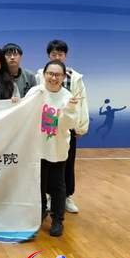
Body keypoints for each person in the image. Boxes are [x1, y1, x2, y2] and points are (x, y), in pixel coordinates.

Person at [37, 40, 89, 214]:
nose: (57, 57)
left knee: (66, 163)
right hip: (45, 127)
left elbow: (82, 102)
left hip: (67, 125)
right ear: (48, 56)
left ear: (65, 56)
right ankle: (48, 198)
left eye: (60, 54)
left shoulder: (75, 78)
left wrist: (81, 126)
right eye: (54, 54)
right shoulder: (41, 75)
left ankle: (66, 196)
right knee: (45, 165)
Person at [36, 60, 80, 237]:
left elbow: (69, 124)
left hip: (58, 148)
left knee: (57, 186)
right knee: (38, 184)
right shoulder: (36, 92)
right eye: (50, 74)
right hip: (37, 148)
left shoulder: (68, 97)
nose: (53, 78)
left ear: (63, 77)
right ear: (44, 74)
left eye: (58, 75)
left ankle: (57, 220)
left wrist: (69, 109)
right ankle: (39, 213)